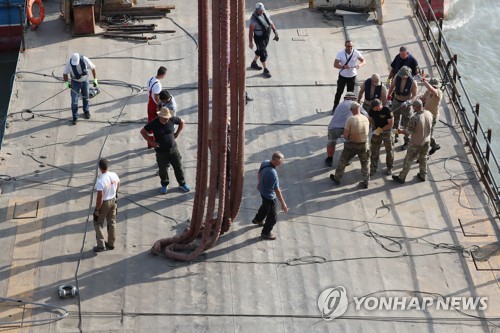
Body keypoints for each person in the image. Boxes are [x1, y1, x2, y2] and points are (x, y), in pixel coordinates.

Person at [140, 107, 191, 194]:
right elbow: (143, 131)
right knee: (163, 169)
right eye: (165, 118)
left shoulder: (171, 119)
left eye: (168, 118)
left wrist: (177, 133)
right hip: (161, 151)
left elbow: (182, 121)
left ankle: (182, 184)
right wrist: (151, 142)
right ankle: (164, 184)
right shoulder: (154, 123)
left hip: (173, 149)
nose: (167, 119)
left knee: (178, 167)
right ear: (160, 116)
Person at [330, 102, 371, 188]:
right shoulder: (366, 118)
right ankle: (366, 181)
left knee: (343, 161)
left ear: (353, 110)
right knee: (365, 163)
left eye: (351, 110)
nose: (351, 111)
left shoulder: (350, 119)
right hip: (364, 144)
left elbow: (345, 135)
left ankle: (337, 178)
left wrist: (347, 138)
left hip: (352, 144)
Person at [392, 99, 433, 184]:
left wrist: (399, 131)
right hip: (427, 140)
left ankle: (401, 177)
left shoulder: (415, 118)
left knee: (408, 160)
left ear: (416, 107)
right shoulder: (429, 113)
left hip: (416, 143)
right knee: (423, 157)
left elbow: (408, 132)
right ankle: (423, 175)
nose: (412, 107)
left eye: (413, 106)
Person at [252, 151, 288, 240]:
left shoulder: (265, 162)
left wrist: (259, 183)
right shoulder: (273, 173)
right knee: (273, 217)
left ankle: (258, 219)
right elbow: (277, 190)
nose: (282, 162)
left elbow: (259, 172)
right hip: (269, 196)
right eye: (281, 161)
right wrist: (283, 204)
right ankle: (266, 233)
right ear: (275, 161)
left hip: (262, 191)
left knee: (265, 206)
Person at [93, 159, 120, 253]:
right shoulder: (114, 175)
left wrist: (97, 209)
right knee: (112, 222)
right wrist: (115, 193)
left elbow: (100, 197)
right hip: (113, 200)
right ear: (109, 167)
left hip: (105, 203)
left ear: (99, 168)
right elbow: (119, 183)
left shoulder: (100, 180)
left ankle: (101, 245)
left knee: (98, 223)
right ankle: (111, 243)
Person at [387, 66, 417, 149]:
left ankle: (406, 141)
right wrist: (388, 97)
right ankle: (395, 136)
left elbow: (414, 95)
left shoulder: (413, 83)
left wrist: (409, 102)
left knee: (407, 124)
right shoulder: (397, 77)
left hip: (406, 104)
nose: (402, 77)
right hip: (396, 101)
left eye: (404, 76)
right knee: (394, 120)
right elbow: (392, 87)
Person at [63, 53, 97, 125]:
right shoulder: (69, 62)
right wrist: (67, 83)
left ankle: (86, 111)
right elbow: (65, 74)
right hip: (75, 82)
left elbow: (93, 68)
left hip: (85, 81)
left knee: (86, 96)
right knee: (74, 101)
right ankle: (75, 117)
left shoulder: (85, 59)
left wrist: (95, 79)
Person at [332, 40, 366, 112]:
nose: (350, 48)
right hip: (343, 76)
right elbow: (335, 64)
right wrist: (343, 67)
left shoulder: (356, 52)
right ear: (345, 46)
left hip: (352, 76)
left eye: (351, 46)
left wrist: (359, 65)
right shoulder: (340, 53)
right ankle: (335, 106)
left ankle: (348, 108)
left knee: (350, 94)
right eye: (348, 46)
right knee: (339, 92)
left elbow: (363, 61)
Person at [325, 92, 357, 167]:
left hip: (332, 128)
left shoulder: (340, 105)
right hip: (344, 129)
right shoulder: (354, 104)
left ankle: (329, 158)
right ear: (353, 99)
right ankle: (347, 160)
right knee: (349, 144)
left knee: (331, 142)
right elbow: (364, 115)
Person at [249, 2, 278, 78]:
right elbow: (250, 32)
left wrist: (275, 32)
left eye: (262, 10)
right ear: (256, 10)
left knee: (260, 50)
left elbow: (270, 23)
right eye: (260, 10)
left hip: (266, 36)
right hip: (259, 38)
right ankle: (265, 70)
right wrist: (250, 42)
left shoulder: (265, 13)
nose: (262, 11)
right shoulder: (253, 20)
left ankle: (254, 63)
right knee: (263, 52)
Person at [368, 99, 394, 176]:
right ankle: (373, 168)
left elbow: (390, 125)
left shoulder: (388, 110)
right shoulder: (371, 110)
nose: (373, 109)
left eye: (374, 107)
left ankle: (389, 168)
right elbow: (370, 119)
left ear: (378, 106)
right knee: (374, 151)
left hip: (387, 133)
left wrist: (379, 130)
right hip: (376, 132)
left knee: (389, 152)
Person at [419, 76, 443, 155]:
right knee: (425, 133)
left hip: (433, 117)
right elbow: (423, 98)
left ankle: (425, 153)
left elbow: (433, 90)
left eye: (433, 86)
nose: (432, 87)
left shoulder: (438, 92)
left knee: (428, 134)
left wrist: (424, 81)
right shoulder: (428, 91)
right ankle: (434, 145)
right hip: (426, 114)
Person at [146, 66, 167, 148]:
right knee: (159, 124)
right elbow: (156, 97)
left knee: (150, 124)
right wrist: (161, 105)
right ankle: (156, 142)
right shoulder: (158, 85)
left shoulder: (151, 79)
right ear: (163, 74)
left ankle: (150, 143)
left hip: (149, 104)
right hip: (154, 106)